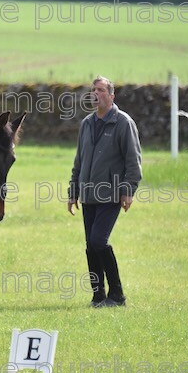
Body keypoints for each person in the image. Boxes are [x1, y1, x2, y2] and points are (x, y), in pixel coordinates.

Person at [67, 76, 142, 307]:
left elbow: (133, 160)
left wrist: (128, 190)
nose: (95, 94)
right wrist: (73, 191)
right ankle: (98, 295)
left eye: (100, 90)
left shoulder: (123, 123)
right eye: (93, 90)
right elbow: (79, 161)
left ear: (111, 95)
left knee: (99, 241)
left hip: (111, 193)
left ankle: (117, 295)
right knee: (91, 245)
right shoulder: (86, 124)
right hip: (88, 194)